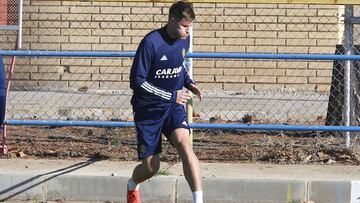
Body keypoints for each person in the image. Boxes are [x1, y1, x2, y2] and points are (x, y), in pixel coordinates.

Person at [127, 1, 203, 203]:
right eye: (184, 26)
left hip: (172, 107)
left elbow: (179, 66)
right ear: (172, 20)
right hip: (148, 110)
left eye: (190, 26)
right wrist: (171, 95)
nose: (188, 31)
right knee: (151, 168)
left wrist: (189, 83)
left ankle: (199, 200)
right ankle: (132, 185)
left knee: (186, 146)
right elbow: (136, 81)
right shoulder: (151, 42)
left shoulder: (184, 39)